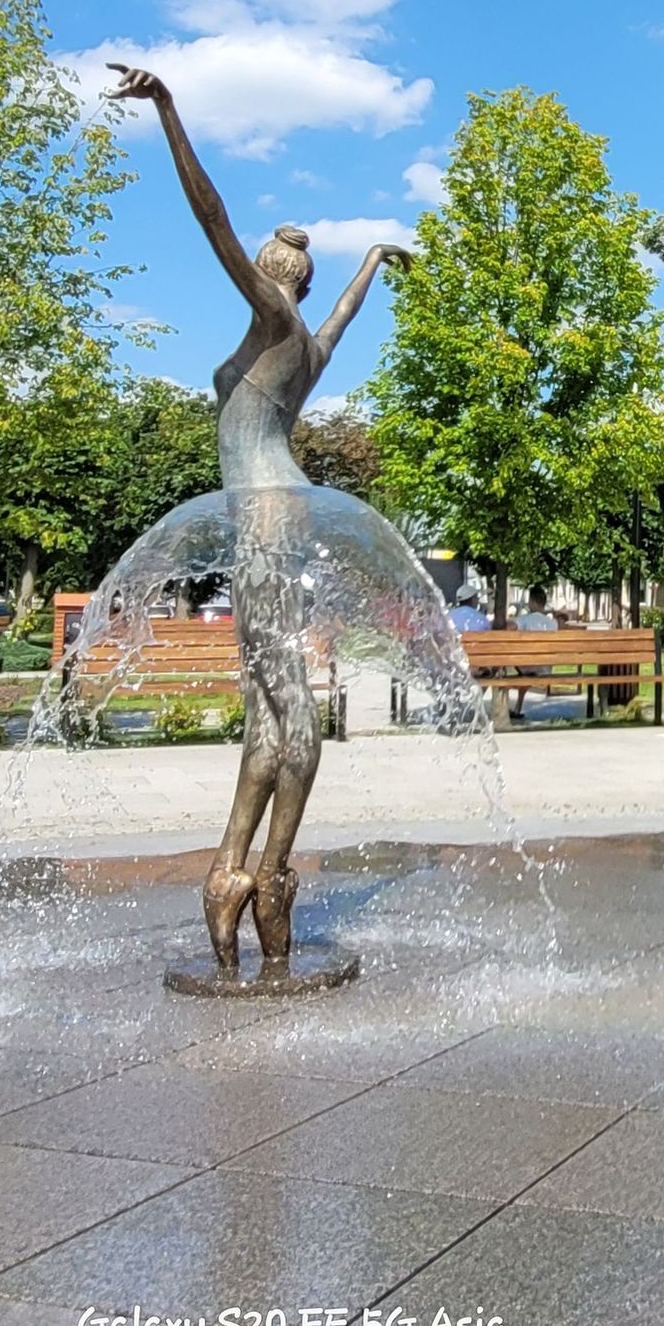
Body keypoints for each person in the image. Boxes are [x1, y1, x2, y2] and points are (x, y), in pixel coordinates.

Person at [108, 63, 411, 977]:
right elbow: (346, 316)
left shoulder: (273, 318)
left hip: (268, 515)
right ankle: (235, 869)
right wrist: (371, 260)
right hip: (277, 512)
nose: (261, 268)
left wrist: (169, 110)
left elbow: (211, 218)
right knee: (268, 705)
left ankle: (267, 872)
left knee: (287, 703)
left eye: (268, 267)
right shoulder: (307, 344)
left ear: (278, 280)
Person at [510, 585, 559, 718]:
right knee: (525, 677)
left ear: (533, 602)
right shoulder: (552, 623)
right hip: (545, 667)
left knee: (506, 670)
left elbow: (511, 628)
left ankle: (514, 709)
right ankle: (517, 708)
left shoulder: (524, 620)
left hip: (526, 666)